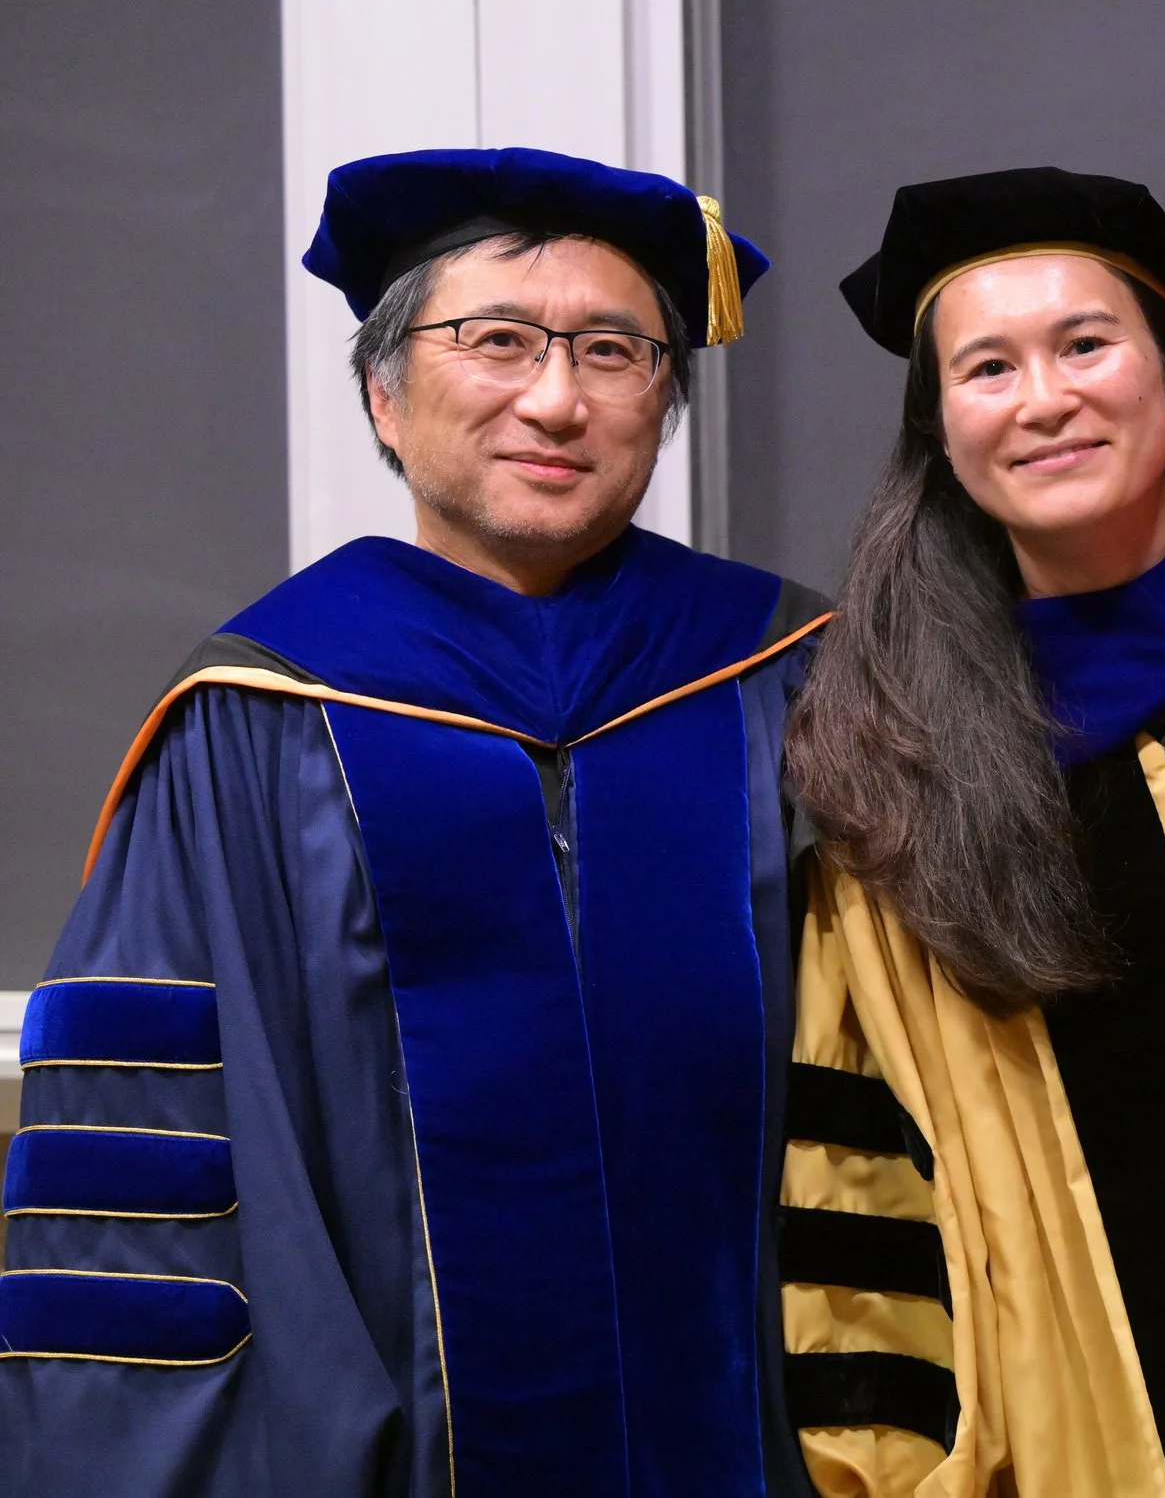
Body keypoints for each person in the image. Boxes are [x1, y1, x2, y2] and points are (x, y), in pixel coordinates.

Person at [0, 148, 829, 1497]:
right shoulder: (255, 717)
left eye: (614, 350)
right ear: (385, 396)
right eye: (496, 340)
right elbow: (155, 1191)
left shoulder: (787, 677)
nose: (555, 397)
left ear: (663, 399)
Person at [775, 167, 1165, 1497]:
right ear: (942, 430)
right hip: (1092, 1443)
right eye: (988, 367)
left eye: (1085, 344)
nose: (1045, 397)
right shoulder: (893, 765)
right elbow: (860, 1179)